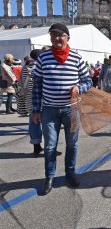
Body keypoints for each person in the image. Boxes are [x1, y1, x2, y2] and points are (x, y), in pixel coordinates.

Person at [32, 23, 92, 195]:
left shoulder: (76, 58)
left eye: (61, 35)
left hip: (71, 110)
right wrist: (36, 110)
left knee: (72, 144)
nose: (57, 38)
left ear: (67, 38)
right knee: (50, 146)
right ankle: (49, 176)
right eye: (54, 35)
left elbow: (88, 81)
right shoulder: (43, 58)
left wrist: (79, 88)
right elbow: (37, 85)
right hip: (49, 110)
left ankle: (70, 172)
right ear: (50, 37)